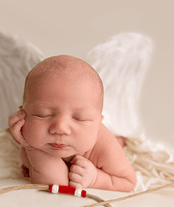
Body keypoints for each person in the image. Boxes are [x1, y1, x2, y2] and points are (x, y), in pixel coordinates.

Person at [9, 55, 136, 192]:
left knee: (115, 150)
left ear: (98, 122)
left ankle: (119, 141)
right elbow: (56, 184)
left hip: (102, 147)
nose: (60, 128)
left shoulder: (104, 147)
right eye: (43, 115)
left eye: (80, 118)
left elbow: (129, 182)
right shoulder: (32, 141)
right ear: (23, 114)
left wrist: (95, 178)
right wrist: (31, 148)